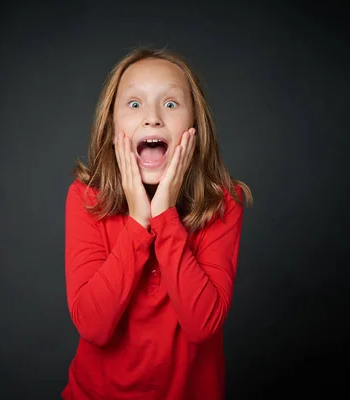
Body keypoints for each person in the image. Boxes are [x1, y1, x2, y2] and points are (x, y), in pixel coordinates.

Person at [61, 46, 254, 400]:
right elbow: (93, 326)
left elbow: (202, 325)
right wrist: (138, 222)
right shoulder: (86, 198)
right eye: (134, 104)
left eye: (170, 103)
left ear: (195, 125)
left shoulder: (224, 204)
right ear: (112, 125)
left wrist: (165, 217)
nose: (152, 118)